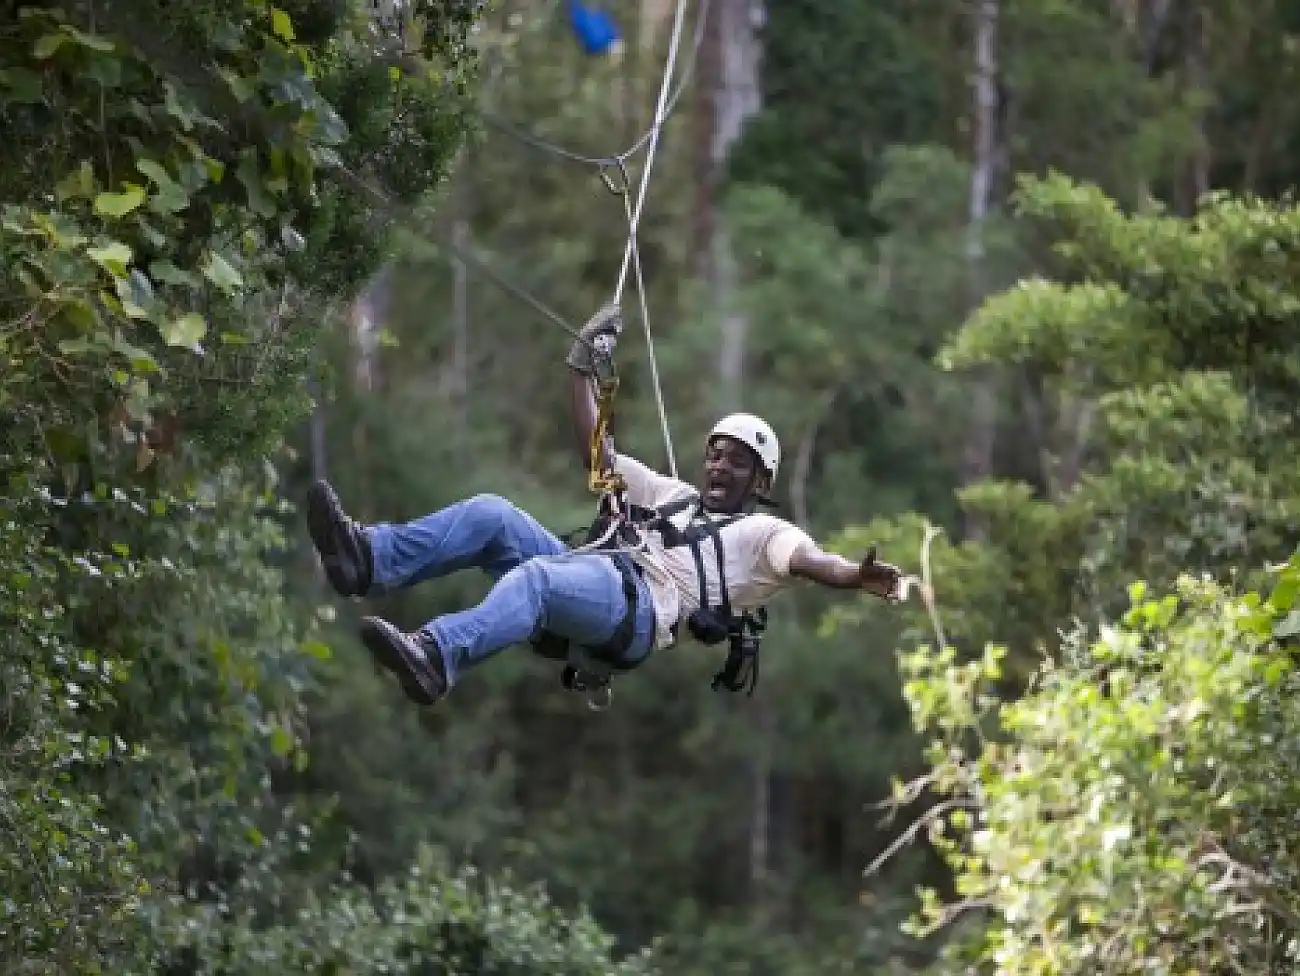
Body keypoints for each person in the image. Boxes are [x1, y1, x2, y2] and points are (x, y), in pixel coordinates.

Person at [305, 304, 903, 707]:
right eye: (717, 456)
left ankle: (437, 656)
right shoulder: (673, 497)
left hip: (638, 613)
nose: (722, 467)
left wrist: (854, 575)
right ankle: (369, 559)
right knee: (492, 515)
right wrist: (580, 367)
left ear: (761, 479)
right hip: (598, 576)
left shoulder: (765, 535)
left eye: (738, 462)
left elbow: (813, 561)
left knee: (537, 579)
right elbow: (600, 454)